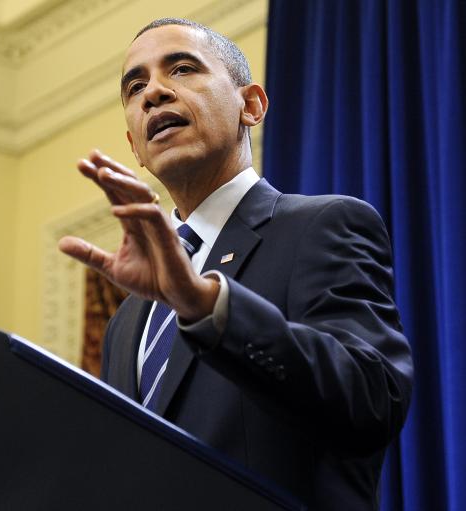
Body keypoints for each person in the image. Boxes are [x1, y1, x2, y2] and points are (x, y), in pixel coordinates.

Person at [59, 18, 413, 511]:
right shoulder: (126, 324)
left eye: (181, 69)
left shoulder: (322, 226)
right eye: (135, 86)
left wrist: (208, 306)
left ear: (251, 106)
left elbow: (372, 399)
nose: (154, 93)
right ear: (134, 147)